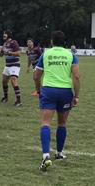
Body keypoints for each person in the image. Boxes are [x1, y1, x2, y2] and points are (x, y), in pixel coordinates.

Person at [33, 31, 80, 172]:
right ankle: (59, 153)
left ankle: (46, 155)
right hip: (65, 92)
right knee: (62, 123)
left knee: (45, 123)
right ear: (64, 42)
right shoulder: (71, 55)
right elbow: (76, 77)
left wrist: (39, 90)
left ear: (52, 41)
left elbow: (36, 76)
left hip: (48, 91)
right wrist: (76, 96)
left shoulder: (46, 54)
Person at [0, 30, 22, 106]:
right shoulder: (4, 44)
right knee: (4, 81)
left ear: (9, 35)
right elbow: (1, 55)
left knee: (13, 81)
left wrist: (9, 52)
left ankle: (19, 101)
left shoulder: (14, 42)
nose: (3, 35)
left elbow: (18, 53)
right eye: (3, 34)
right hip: (7, 65)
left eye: (5, 34)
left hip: (14, 65)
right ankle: (5, 97)